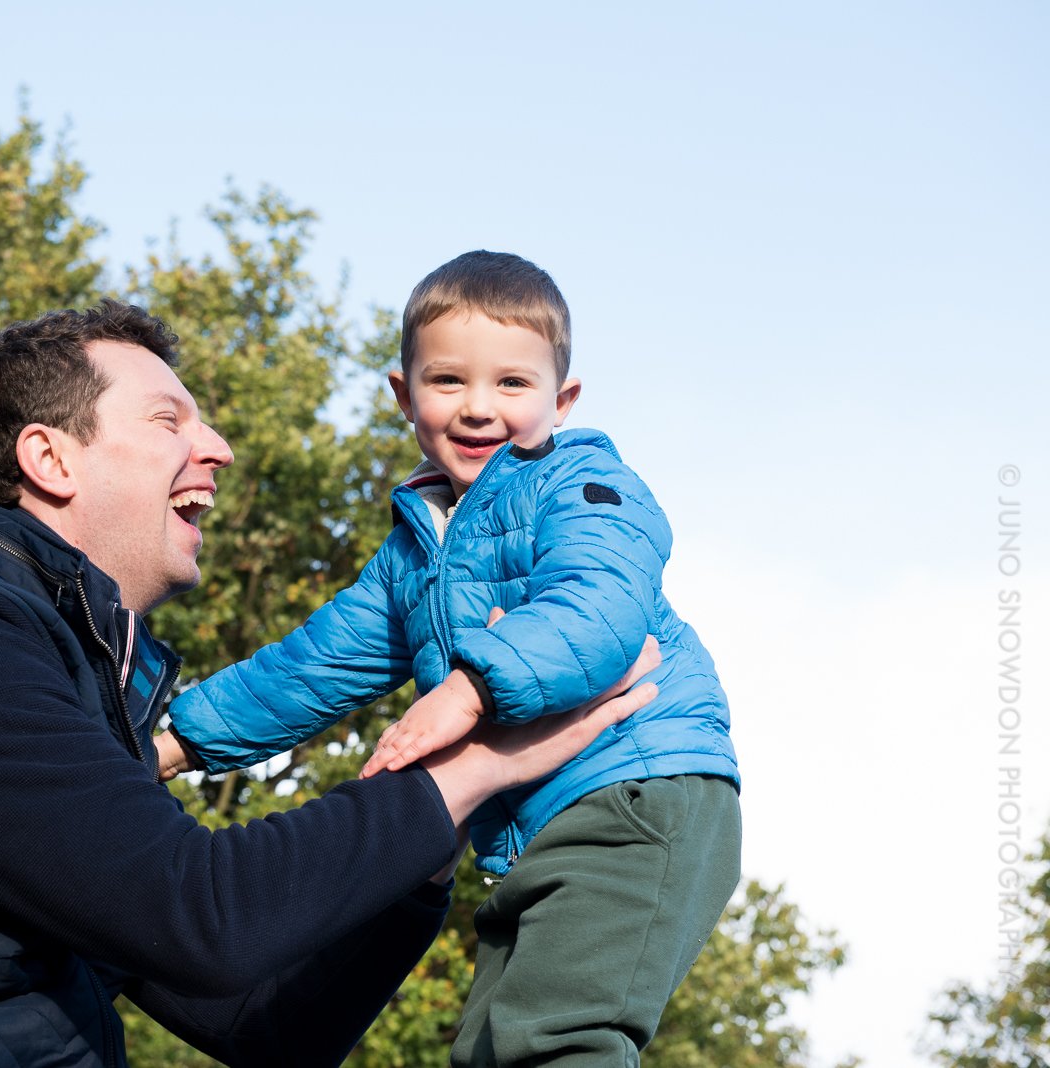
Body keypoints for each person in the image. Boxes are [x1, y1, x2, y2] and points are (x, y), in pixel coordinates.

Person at [0, 299, 661, 1068]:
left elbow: (263, 1022)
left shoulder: (70, 692)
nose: (214, 447)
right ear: (50, 460)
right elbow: (201, 912)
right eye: (169, 422)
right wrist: (469, 771)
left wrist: (423, 850)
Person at [158, 251, 742, 1066]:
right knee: (491, 1047)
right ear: (403, 394)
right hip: (543, 825)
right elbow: (314, 665)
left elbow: (600, 604)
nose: (477, 408)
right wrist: (176, 745)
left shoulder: (578, 483)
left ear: (560, 399)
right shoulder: (417, 547)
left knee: (555, 1037)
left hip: (639, 790)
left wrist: (468, 690)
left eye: (511, 384)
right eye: (447, 381)